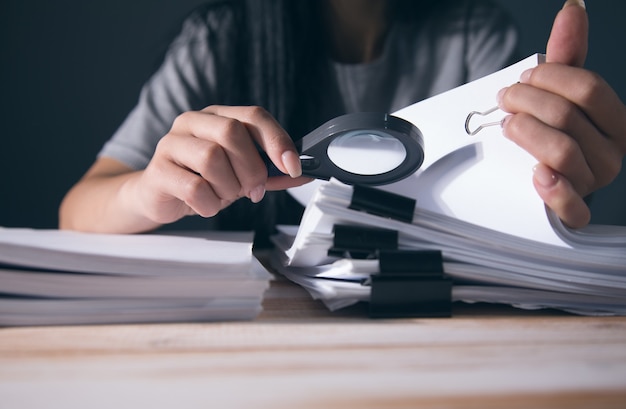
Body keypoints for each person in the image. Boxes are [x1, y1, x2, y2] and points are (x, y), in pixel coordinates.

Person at [59, 0, 626, 247]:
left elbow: (524, 205)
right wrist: (153, 194)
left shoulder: (473, 34)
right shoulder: (218, 40)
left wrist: (553, 182)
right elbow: (76, 212)